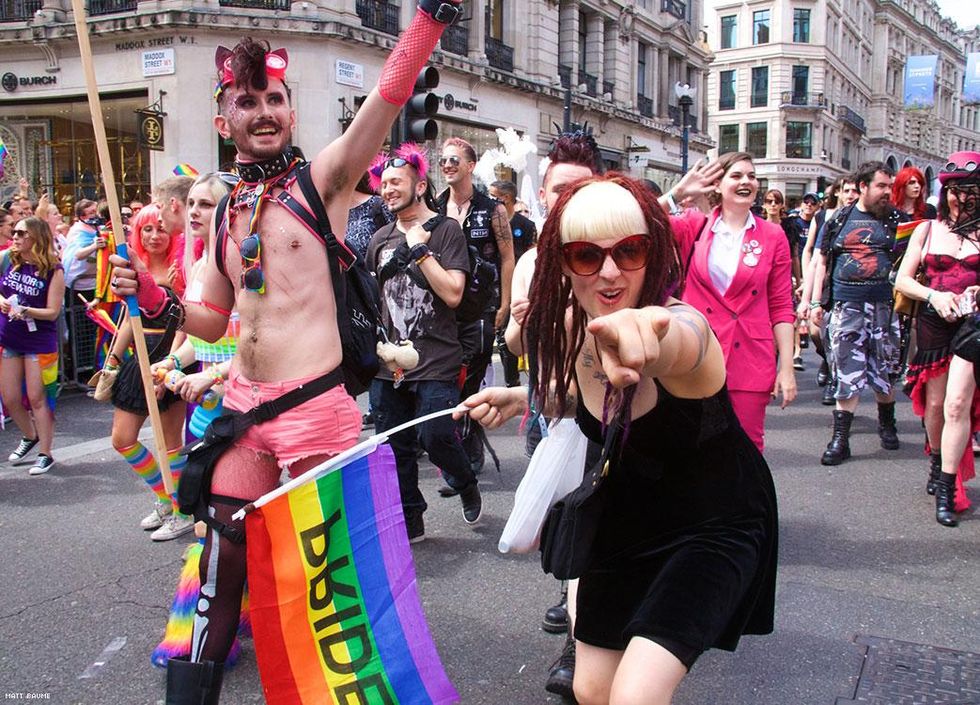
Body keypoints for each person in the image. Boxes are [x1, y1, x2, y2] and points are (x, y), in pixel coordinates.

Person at [110, 14, 466, 698]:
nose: (264, 111)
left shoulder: (321, 182)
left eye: (274, 99)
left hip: (314, 417)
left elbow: (385, 103)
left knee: (322, 594)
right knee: (217, 570)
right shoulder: (222, 213)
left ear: (292, 109)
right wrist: (156, 297)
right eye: (247, 100)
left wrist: (428, 20)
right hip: (242, 413)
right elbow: (213, 314)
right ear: (224, 119)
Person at [459, 173, 777, 705]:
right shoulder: (569, 326)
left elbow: (681, 343)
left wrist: (648, 336)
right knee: (589, 689)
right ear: (562, 263)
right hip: (628, 518)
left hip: (713, 523)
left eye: (629, 251)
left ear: (652, 254)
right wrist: (523, 398)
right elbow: (579, 401)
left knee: (634, 696)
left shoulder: (679, 323)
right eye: (587, 256)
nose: (610, 273)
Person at [365, 143, 482, 542]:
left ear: (419, 185)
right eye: (383, 184)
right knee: (394, 446)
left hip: (436, 357)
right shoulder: (379, 237)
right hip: (389, 362)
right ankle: (411, 520)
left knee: (435, 436)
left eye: (397, 182)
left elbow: (453, 294)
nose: (388, 190)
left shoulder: (445, 230)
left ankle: (465, 480)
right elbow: (371, 297)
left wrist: (419, 250)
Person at [682, 152, 797, 452]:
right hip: (698, 356)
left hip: (750, 358)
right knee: (695, 450)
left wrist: (786, 367)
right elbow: (643, 222)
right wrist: (679, 193)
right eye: (737, 176)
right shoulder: (694, 225)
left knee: (746, 451)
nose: (746, 181)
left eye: (751, 176)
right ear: (717, 185)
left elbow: (782, 306)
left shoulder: (773, 236)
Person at [895, 151, 980, 527]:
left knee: (957, 404)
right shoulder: (927, 230)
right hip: (933, 320)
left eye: (971, 190)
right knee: (935, 406)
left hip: (973, 324)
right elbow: (901, 280)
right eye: (955, 190)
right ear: (945, 192)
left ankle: (947, 487)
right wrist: (934, 295)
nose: (962, 198)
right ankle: (935, 460)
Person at [811, 161, 908, 465]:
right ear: (863, 187)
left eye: (889, 187)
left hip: (885, 308)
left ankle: (887, 423)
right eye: (881, 186)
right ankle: (841, 439)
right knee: (846, 372)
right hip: (846, 306)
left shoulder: (897, 221)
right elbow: (822, 261)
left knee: (885, 370)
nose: (886, 192)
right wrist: (814, 303)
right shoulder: (838, 219)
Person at [108, 204, 193, 542]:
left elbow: (187, 324)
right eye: (147, 229)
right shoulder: (131, 269)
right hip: (138, 359)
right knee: (122, 439)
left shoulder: (183, 267)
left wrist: (170, 368)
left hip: (170, 356)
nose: (155, 235)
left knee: (172, 445)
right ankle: (165, 497)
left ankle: (181, 509)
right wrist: (112, 362)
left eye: (160, 227)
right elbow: (130, 319)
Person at [436, 136, 515, 473]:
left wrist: (504, 305)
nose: (448, 166)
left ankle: (467, 454)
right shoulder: (435, 207)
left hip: (481, 310)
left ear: (469, 166)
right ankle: (461, 445)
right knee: (444, 383)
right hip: (442, 312)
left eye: (455, 160)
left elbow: (508, 257)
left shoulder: (491, 209)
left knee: (468, 381)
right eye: (443, 161)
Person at [0, 217, 65, 475]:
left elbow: (52, 312)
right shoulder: (7, 259)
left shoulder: (54, 269)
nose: (14, 237)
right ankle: (30, 435)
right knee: (10, 398)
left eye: (21, 233)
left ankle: (45, 453)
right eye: (13, 231)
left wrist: (26, 310)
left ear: (35, 237)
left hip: (39, 343)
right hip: (9, 339)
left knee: (39, 400)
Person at [489, 179, 537, 387]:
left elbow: (532, 256)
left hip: (519, 287)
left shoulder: (526, 225)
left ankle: (516, 380)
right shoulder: (490, 221)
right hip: (494, 284)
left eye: (493, 196)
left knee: (512, 333)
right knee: (500, 337)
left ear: (505, 198)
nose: (490, 200)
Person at [762, 188, 804, 370]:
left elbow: (794, 256)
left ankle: (788, 357)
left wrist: (798, 279)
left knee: (785, 319)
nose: (773, 205)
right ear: (764, 204)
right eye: (769, 201)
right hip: (762, 279)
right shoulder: (757, 226)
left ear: (781, 205)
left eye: (776, 202)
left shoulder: (789, 227)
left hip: (784, 279)